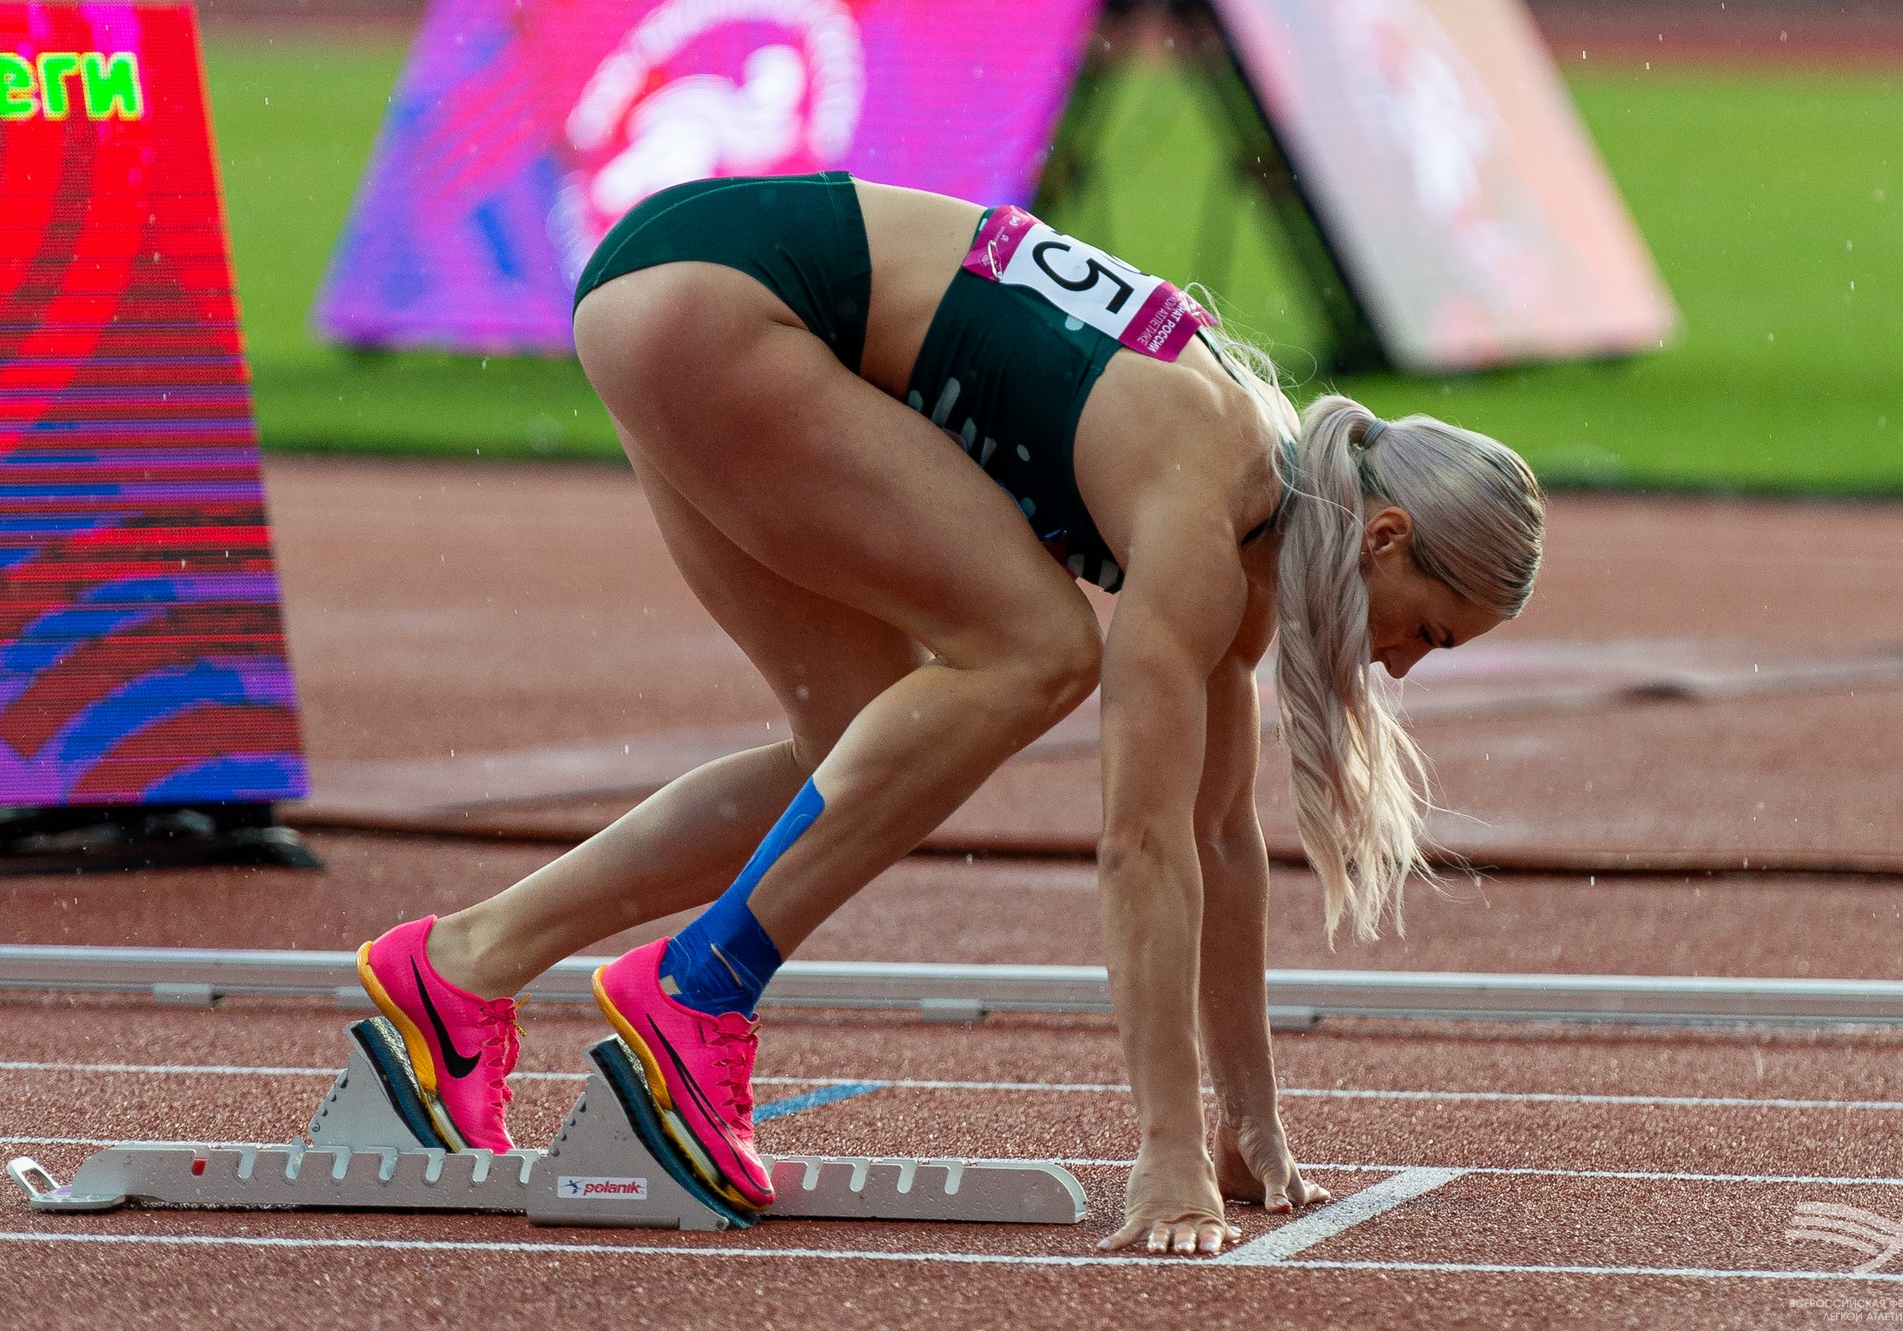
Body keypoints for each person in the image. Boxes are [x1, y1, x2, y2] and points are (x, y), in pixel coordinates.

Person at [352, 171, 1544, 1256]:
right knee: (1038, 650)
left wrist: (1246, 1116)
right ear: (1383, 538)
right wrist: (1167, 1151)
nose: (1399, 669)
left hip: (670, 284)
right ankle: (698, 989)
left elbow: (1219, 836)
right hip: (730, 301)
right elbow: (1140, 845)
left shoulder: (1256, 520)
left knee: (867, 748)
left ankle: (462, 965)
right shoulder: (1207, 494)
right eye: (1427, 631)